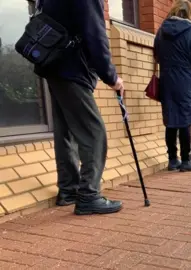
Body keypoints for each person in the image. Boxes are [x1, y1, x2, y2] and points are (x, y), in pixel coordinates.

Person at [37, 0, 123, 215]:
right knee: (94, 132)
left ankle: (69, 190)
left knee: (65, 131)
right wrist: (111, 77)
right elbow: (95, 35)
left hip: (54, 67)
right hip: (73, 70)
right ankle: (88, 195)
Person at [154, 1, 191, 172]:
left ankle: (172, 159)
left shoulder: (161, 31)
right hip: (187, 82)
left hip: (167, 81)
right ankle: (186, 160)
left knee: (171, 120)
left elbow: (156, 55)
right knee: (185, 121)